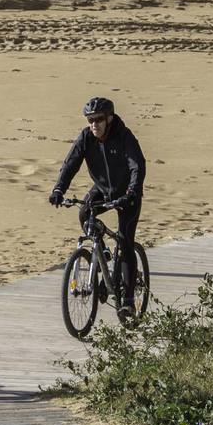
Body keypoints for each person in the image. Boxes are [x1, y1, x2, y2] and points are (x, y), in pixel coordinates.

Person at [48, 97, 146, 316]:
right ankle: (102, 252)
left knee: (126, 241)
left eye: (99, 119)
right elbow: (70, 164)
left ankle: (128, 300)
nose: (94, 124)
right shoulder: (86, 138)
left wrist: (132, 192)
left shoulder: (124, 136)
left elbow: (137, 166)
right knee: (84, 213)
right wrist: (58, 190)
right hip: (103, 189)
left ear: (109, 119)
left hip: (127, 194)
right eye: (90, 120)